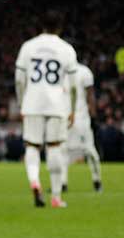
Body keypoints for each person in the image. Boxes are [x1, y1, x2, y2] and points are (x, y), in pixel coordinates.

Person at [14, 19, 78, 208]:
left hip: (32, 103)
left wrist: (21, 103)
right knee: (54, 147)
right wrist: (72, 108)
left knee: (32, 147)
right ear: (60, 28)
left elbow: (19, 79)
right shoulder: (66, 49)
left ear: (41, 27)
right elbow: (73, 86)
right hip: (57, 105)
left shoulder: (28, 46)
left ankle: (35, 181)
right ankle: (56, 197)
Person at [64, 61, 102, 192]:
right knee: (62, 150)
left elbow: (90, 95)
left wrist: (93, 115)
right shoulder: (63, 72)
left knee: (88, 150)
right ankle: (62, 184)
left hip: (80, 118)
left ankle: (97, 180)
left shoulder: (83, 71)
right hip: (66, 117)